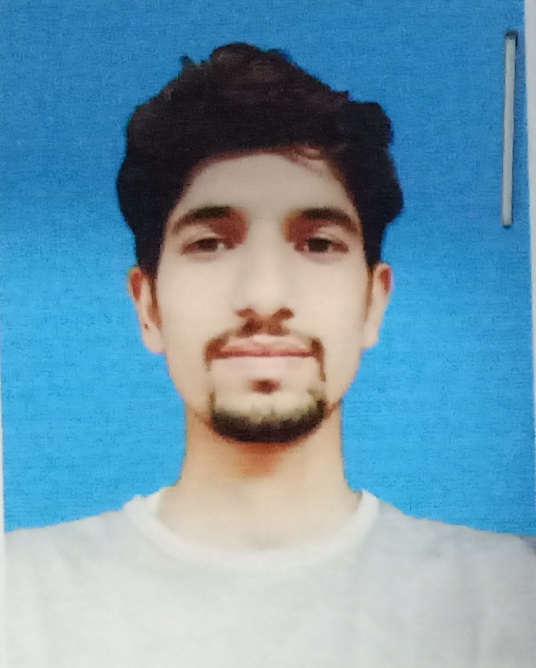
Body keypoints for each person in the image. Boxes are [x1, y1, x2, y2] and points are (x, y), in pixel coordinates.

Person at [5, 42, 535, 667]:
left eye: (318, 243)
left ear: (373, 302)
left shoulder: (508, 600)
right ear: (148, 306)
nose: (264, 297)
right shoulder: (21, 601)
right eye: (209, 243)